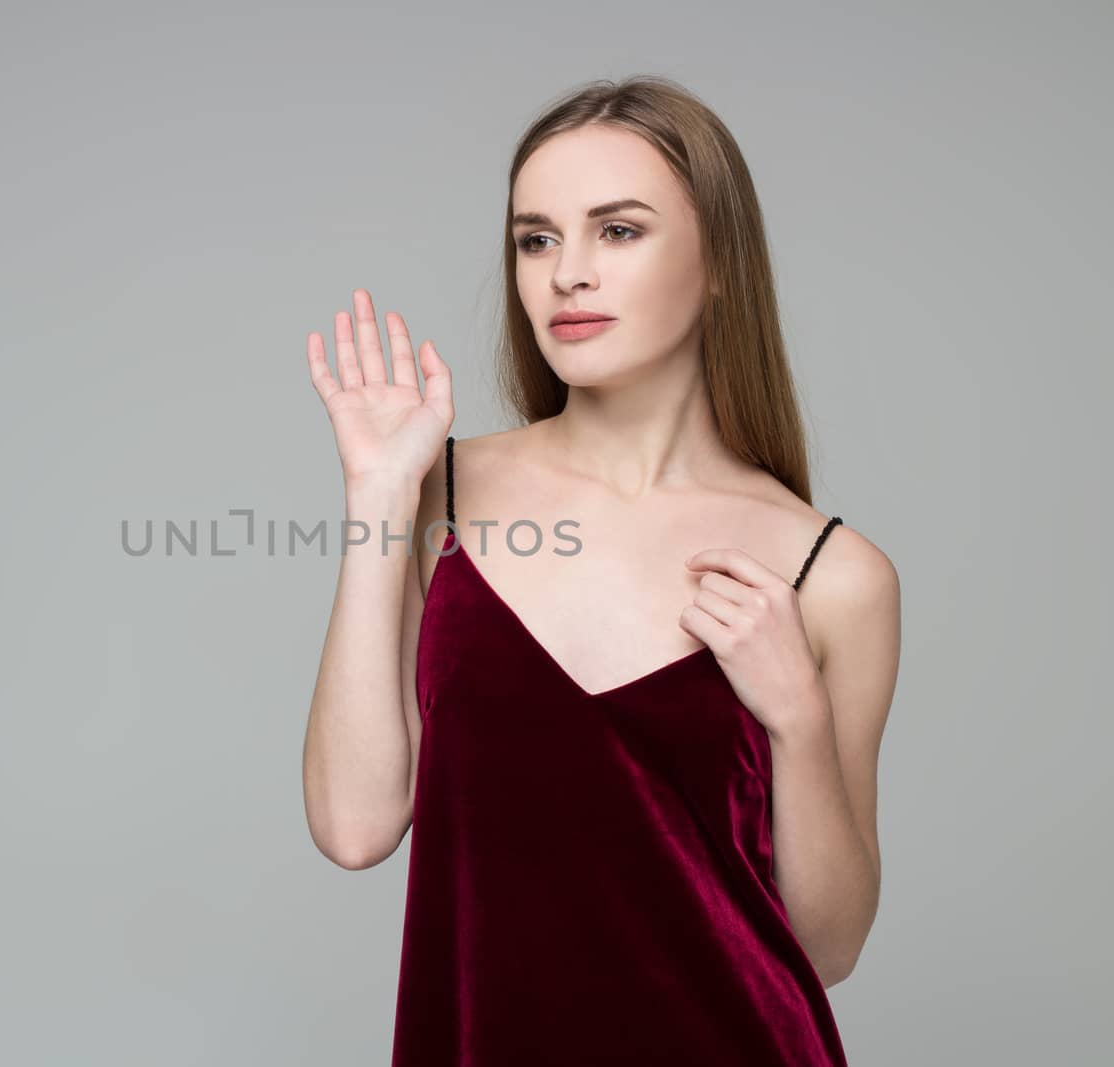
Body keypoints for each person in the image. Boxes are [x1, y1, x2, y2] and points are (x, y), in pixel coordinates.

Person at [300, 74, 900, 1065]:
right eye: (536, 238)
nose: (565, 273)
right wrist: (376, 497)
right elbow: (355, 824)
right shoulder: (436, 491)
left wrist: (793, 714)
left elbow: (826, 946)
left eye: (617, 231)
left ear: (717, 263)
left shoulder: (833, 572)